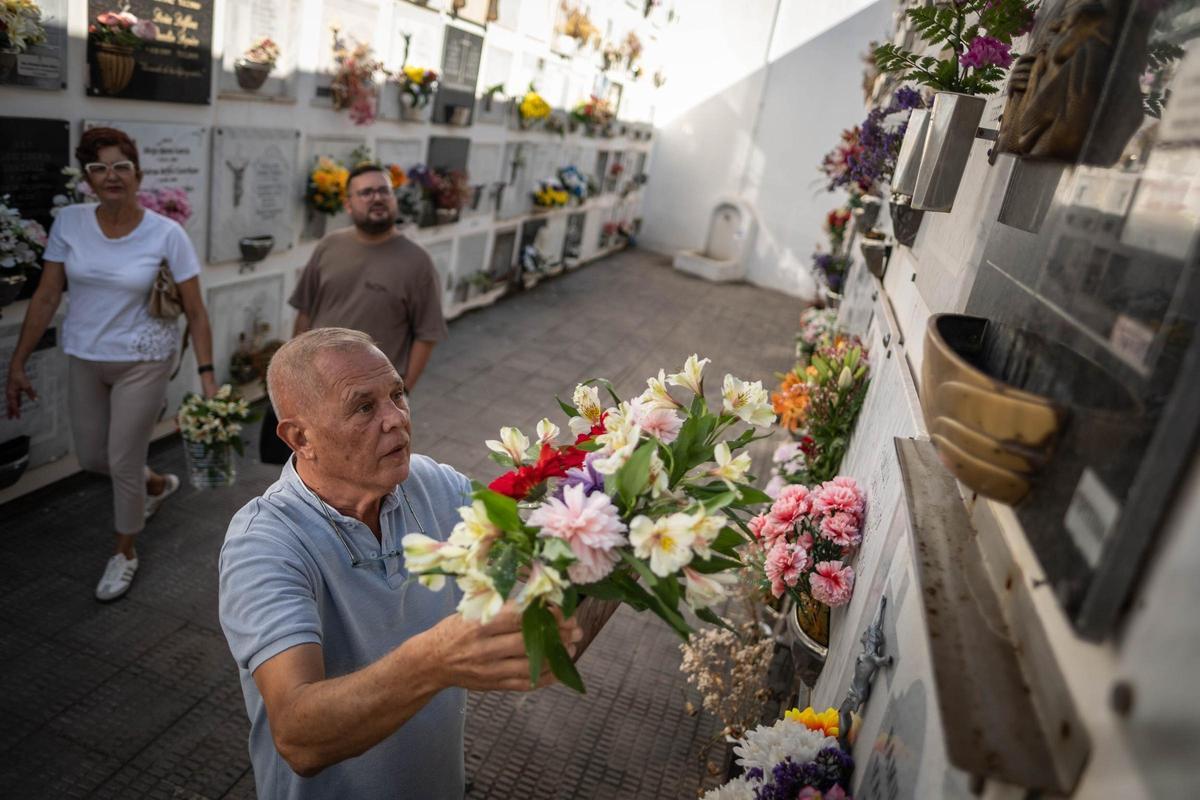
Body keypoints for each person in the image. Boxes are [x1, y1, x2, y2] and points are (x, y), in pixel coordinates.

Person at [219, 328, 617, 798]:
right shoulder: (263, 544)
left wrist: (620, 530)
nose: (396, 420)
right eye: (364, 407)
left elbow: (544, 569)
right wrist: (434, 660)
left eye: (397, 395)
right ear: (300, 437)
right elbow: (298, 736)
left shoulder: (431, 482)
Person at [4, 126, 218, 602]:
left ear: (138, 174)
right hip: (85, 354)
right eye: (99, 167)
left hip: (144, 357)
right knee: (93, 458)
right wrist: (18, 362)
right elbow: (45, 296)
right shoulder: (71, 223)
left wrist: (206, 376)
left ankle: (124, 553)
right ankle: (157, 485)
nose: (111, 175)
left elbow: (197, 311)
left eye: (121, 165)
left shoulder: (167, 234)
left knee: (122, 460)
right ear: (87, 178)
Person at [259, 162, 448, 465]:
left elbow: (426, 334)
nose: (377, 197)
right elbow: (305, 311)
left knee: (363, 473)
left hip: (369, 402)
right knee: (306, 467)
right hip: (318, 389)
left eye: (384, 190)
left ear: (394, 198)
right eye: (366, 192)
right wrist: (293, 375)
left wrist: (403, 390)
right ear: (348, 204)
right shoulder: (330, 246)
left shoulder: (417, 262)